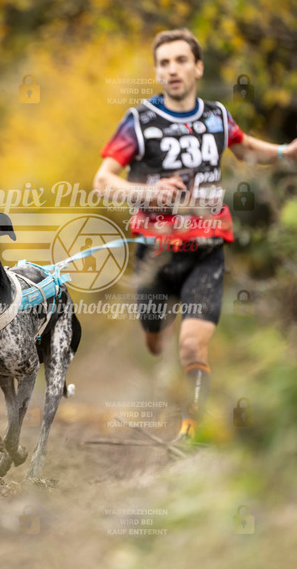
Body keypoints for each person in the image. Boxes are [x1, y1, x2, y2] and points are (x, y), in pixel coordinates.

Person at [93, 28, 297, 441]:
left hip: (206, 250)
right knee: (154, 341)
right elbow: (103, 181)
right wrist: (148, 192)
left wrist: (284, 153)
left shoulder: (217, 116)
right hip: (155, 253)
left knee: (191, 346)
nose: (172, 69)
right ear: (157, 72)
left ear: (198, 67)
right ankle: (160, 336)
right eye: (164, 63)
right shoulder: (140, 121)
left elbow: (244, 147)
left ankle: (190, 434)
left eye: (181, 60)